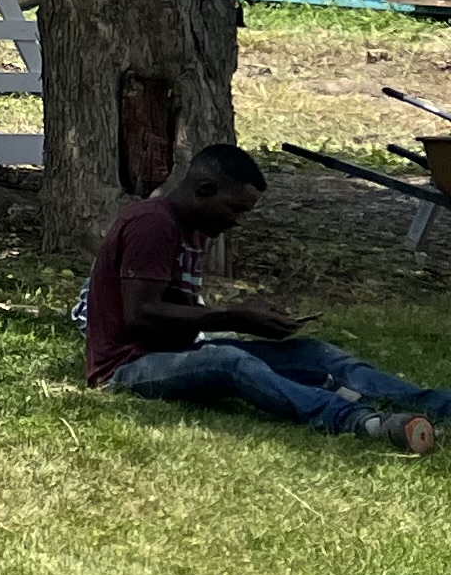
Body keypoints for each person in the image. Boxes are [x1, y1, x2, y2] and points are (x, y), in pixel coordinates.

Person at [83, 145, 448, 452]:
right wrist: (233, 317)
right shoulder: (152, 224)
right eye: (235, 209)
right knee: (229, 360)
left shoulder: (193, 228)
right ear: (204, 190)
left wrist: (248, 319)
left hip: (180, 351)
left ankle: (434, 404)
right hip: (128, 367)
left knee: (315, 353)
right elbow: (140, 314)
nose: (237, 221)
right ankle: (357, 420)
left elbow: (175, 310)